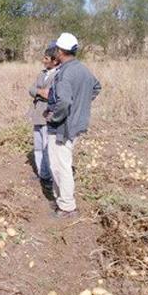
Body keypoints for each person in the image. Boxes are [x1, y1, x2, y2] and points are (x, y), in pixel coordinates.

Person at [44, 32, 101, 218]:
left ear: (60, 51)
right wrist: (82, 104)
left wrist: (53, 117)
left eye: (57, 50)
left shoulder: (65, 73)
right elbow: (96, 87)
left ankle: (67, 206)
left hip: (63, 127)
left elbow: (64, 102)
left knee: (61, 166)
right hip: (78, 123)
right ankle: (61, 199)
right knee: (63, 163)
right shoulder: (83, 69)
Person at [28, 43, 59, 185]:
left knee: (48, 149)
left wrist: (39, 92)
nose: (43, 60)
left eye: (46, 58)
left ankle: (49, 176)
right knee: (38, 147)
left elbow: (53, 95)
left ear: (55, 60)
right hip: (37, 115)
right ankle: (42, 174)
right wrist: (41, 92)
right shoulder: (42, 73)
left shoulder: (59, 76)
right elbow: (31, 89)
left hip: (48, 116)